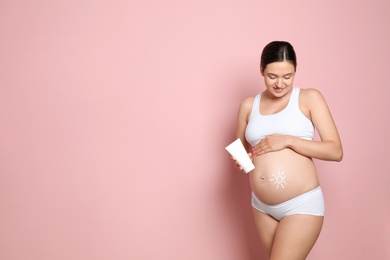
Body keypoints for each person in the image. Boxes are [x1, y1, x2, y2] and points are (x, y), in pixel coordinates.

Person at [233, 41, 343, 260]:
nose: (280, 84)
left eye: (288, 76)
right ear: (262, 70)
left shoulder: (309, 98)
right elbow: (239, 148)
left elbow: (335, 151)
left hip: (301, 203)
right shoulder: (248, 105)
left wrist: (287, 141)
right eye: (272, 76)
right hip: (261, 205)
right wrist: (243, 160)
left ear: (295, 71)